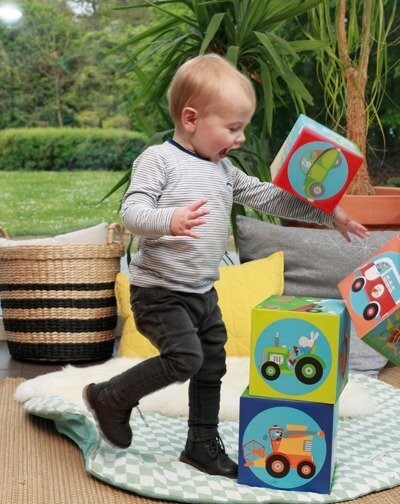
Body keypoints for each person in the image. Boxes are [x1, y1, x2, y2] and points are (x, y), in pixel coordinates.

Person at [83, 53, 369, 479]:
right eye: (232, 128)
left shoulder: (225, 170)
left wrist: (328, 213)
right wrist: (170, 220)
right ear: (191, 119)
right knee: (185, 358)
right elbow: (133, 212)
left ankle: (200, 445)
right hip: (159, 291)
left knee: (211, 366)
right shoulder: (158, 160)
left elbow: (269, 197)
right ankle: (109, 396)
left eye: (243, 128)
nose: (239, 138)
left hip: (202, 292)